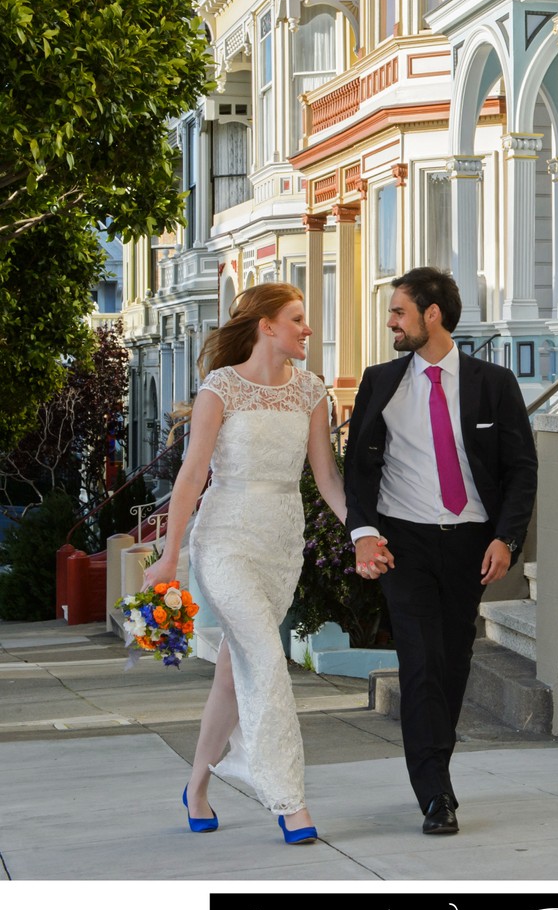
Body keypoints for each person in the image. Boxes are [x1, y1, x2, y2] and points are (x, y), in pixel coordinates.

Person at [143, 283, 389, 843]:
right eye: (298, 318)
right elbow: (191, 477)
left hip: (281, 544)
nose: (308, 329)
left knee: (234, 676)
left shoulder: (310, 392)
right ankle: (289, 799)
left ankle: (197, 787)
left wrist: (363, 534)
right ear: (266, 326)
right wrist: (167, 555)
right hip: (224, 539)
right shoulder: (219, 389)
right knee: (266, 657)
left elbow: (327, 478)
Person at [344, 267, 537, 835]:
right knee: (421, 663)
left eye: (398, 312)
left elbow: (521, 468)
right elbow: (358, 469)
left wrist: (506, 538)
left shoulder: (492, 383)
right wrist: (363, 533)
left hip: (471, 546)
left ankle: (436, 776)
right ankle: (435, 794)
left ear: (432, 314)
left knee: (452, 664)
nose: (390, 323)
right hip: (404, 544)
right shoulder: (380, 382)